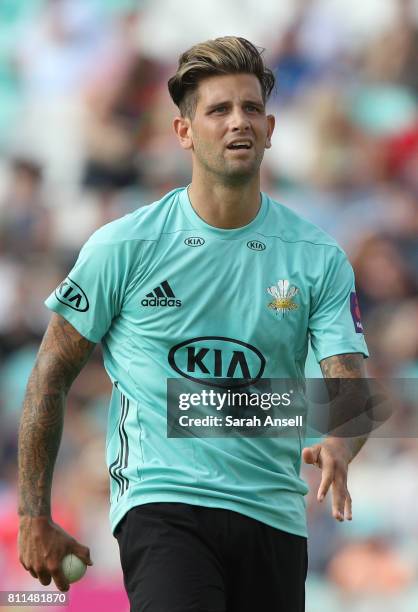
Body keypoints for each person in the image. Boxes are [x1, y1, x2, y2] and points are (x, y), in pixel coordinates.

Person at [18, 36, 370, 611]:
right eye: (219, 110)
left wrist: (339, 441)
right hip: (163, 504)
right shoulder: (125, 246)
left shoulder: (318, 256)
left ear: (272, 126)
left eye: (251, 109)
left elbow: (349, 390)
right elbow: (49, 375)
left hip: (274, 515)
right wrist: (34, 514)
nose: (240, 122)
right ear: (184, 131)